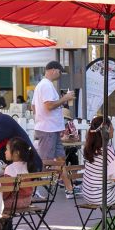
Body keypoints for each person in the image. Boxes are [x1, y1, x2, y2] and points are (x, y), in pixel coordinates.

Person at [33, 61, 75, 198]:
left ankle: (69, 187)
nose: (59, 74)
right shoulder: (46, 85)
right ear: (52, 70)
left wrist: (40, 117)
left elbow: (34, 106)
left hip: (50, 128)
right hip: (48, 129)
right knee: (46, 161)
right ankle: (33, 186)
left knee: (60, 159)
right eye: (59, 71)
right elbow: (49, 106)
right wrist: (65, 99)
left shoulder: (42, 85)